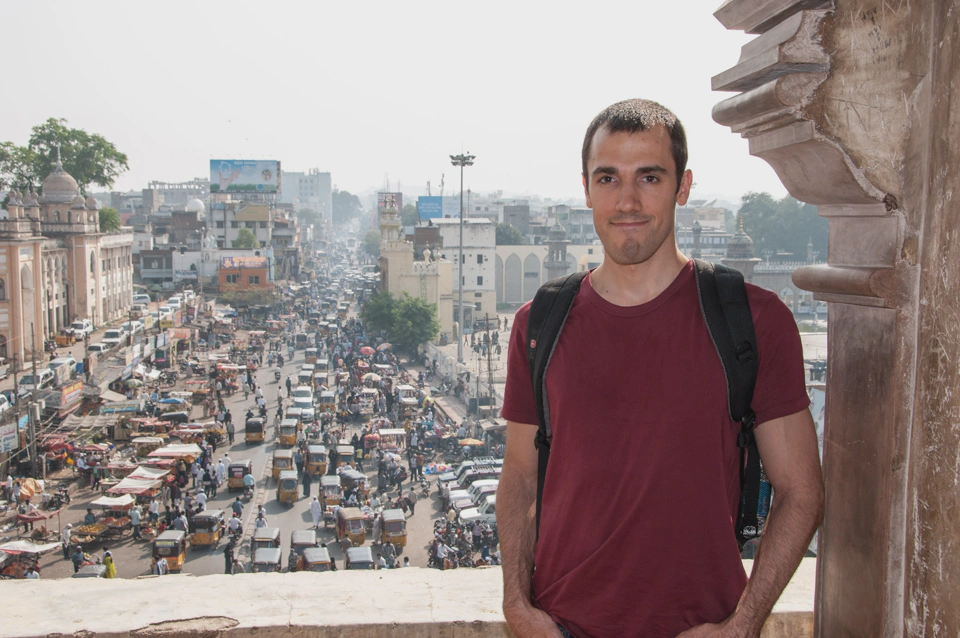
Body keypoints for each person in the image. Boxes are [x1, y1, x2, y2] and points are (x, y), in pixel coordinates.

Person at [498, 99, 824, 638]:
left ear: (683, 186)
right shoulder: (540, 325)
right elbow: (519, 477)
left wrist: (743, 625)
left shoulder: (753, 322)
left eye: (649, 176)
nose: (627, 200)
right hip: (564, 626)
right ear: (586, 189)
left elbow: (801, 491)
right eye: (608, 178)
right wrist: (516, 603)